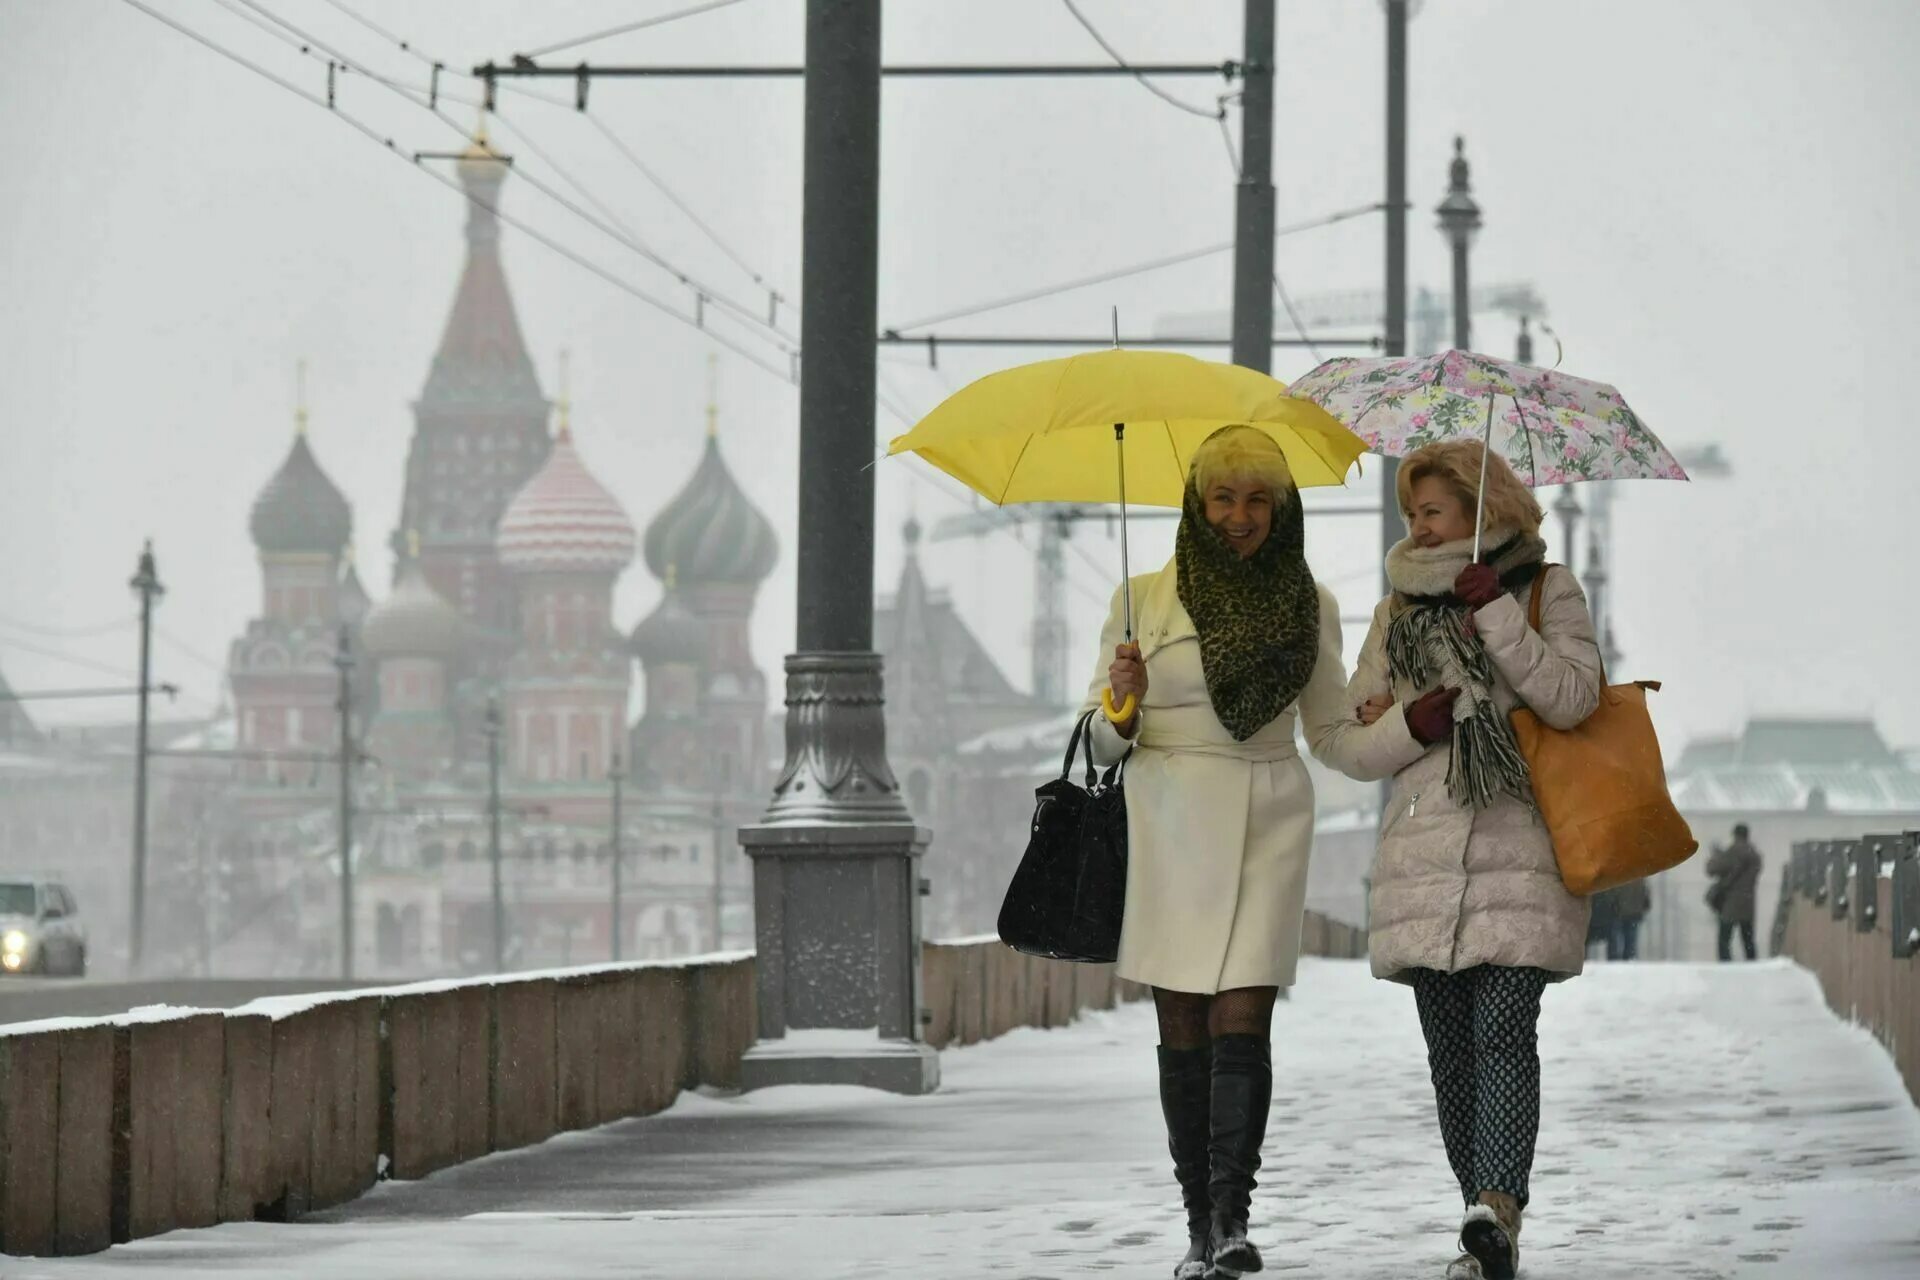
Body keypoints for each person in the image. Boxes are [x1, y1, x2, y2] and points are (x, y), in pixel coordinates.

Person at [1083, 425, 1413, 1280]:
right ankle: (1199, 1224)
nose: (1239, 517)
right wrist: (1122, 705)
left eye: (1257, 500)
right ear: (1198, 506)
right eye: (1223, 499)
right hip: (1167, 822)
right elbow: (1095, 744)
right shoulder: (1141, 600)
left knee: (1244, 1017)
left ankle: (1232, 1220)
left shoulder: (1310, 603)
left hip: (1268, 813)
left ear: (1281, 507)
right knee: (1183, 1025)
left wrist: (1405, 726)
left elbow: (1332, 737)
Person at [1346, 440, 1601, 1280]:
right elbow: (1356, 741)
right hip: (1424, 856)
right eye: (1410, 514)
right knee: (1450, 1052)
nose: (1416, 528)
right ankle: (1484, 1231)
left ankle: (1497, 1206)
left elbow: (1571, 698)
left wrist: (1496, 612)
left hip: (1519, 847)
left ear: (1482, 511)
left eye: (1431, 511)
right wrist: (1405, 725)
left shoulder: (1545, 588)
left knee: (1503, 1028)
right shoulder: (1395, 612)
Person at [1706, 825, 1763, 961]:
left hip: (1730, 901)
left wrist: (1716, 855)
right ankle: (1752, 963)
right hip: (1748, 901)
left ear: (1735, 835)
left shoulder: (1732, 852)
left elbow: (1712, 869)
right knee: (1748, 938)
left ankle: (1726, 964)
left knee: (1724, 938)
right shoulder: (1755, 856)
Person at [1607, 880, 1651, 961]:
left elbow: (1613, 895)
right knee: (1631, 937)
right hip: (1635, 913)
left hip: (1620, 913)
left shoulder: (1620, 878)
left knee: (1617, 937)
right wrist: (1644, 907)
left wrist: (1614, 907)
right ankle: (1629, 956)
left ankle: (1615, 956)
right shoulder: (1640, 880)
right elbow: (1646, 896)